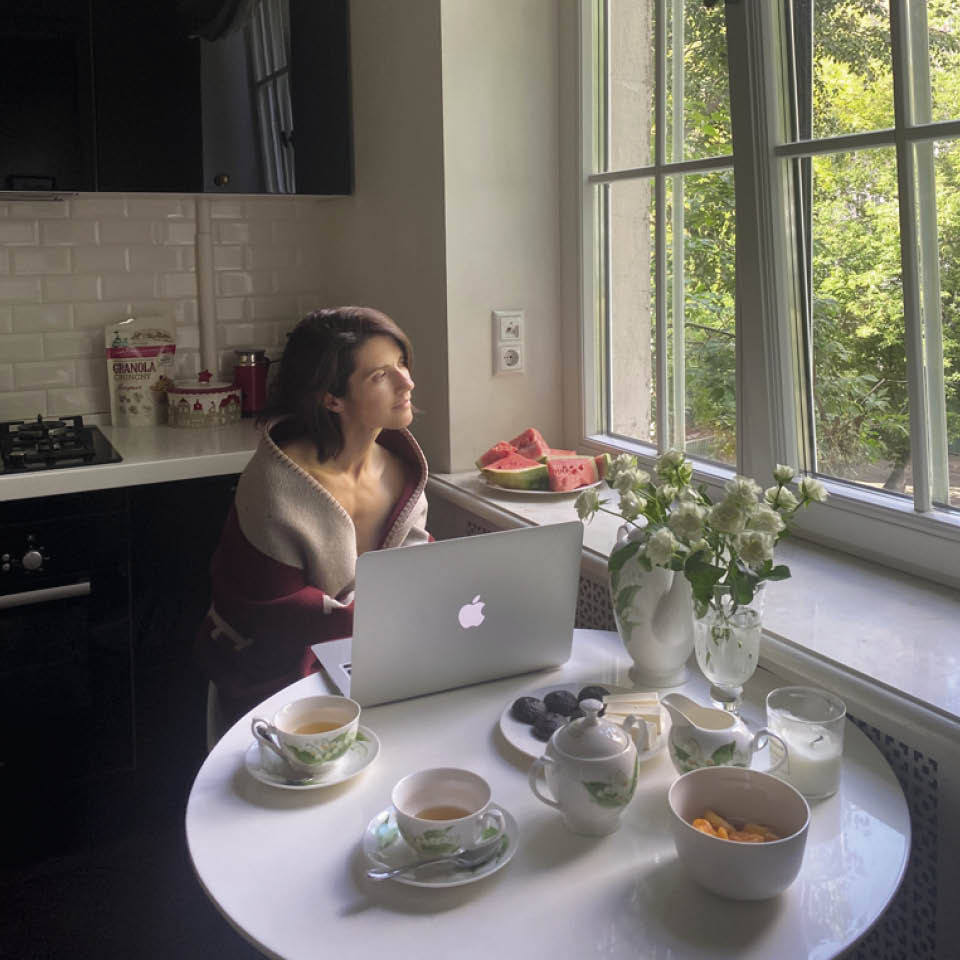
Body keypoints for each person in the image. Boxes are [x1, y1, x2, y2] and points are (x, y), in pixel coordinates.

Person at [196, 306, 431, 725]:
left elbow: (416, 574)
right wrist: (398, 614)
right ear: (331, 398)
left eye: (402, 363)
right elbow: (276, 616)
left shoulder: (403, 472)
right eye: (381, 375)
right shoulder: (275, 484)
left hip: (372, 668)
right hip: (273, 684)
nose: (407, 382)